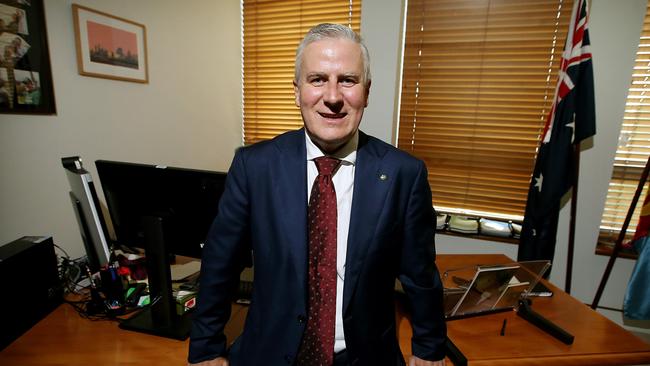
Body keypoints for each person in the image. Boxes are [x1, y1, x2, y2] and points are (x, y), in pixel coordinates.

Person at [188, 23, 446, 366]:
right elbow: (221, 265)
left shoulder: (404, 174)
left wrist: (429, 348)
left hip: (365, 356)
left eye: (348, 80)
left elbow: (420, 274)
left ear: (366, 92)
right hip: (269, 353)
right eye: (318, 79)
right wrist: (205, 349)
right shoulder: (254, 166)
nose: (334, 97)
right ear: (297, 91)